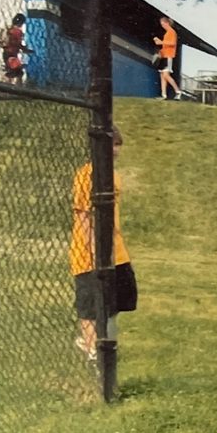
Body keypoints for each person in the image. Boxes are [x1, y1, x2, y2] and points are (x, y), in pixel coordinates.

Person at [70, 128, 138, 363]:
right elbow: (83, 216)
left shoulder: (113, 175)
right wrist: (92, 249)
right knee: (89, 304)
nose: (116, 150)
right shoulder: (86, 175)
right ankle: (92, 348)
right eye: (111, 145)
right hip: (88, 252)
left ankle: (100, 340)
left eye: (118, 145)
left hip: (116, 251)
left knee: (120, 297)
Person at [152, 16, 188, 100]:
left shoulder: (172, 32)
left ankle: (178, 91)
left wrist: (161, 42)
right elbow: (166, 45)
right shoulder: (167, 33)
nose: (162, 26)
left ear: (167, 23)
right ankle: (164, 95)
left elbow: (172, 43)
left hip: (168, 56)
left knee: (166, 75)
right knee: (162, 75)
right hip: (164, 56)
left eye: (163, 24)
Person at [1, 13, 33, 85]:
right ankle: (16, 89)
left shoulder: (9, 30)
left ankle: (6, 88)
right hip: (12, 53)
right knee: (18, 72)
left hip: (6, 53)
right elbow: (18, 44)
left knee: (11, 71)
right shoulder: (18, 32)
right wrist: (25, 49)